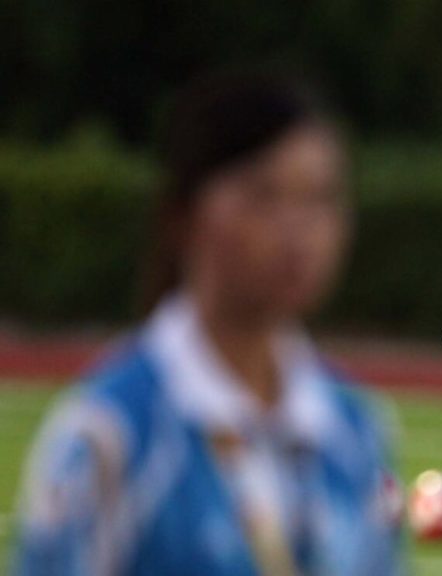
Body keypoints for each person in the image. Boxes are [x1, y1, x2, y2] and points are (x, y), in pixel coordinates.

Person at [13, 71, 401, 575]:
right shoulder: (112, 437)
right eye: (264, 194)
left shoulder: (355, 431)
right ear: (185, 212)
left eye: (321, 198)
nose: (299, 227)